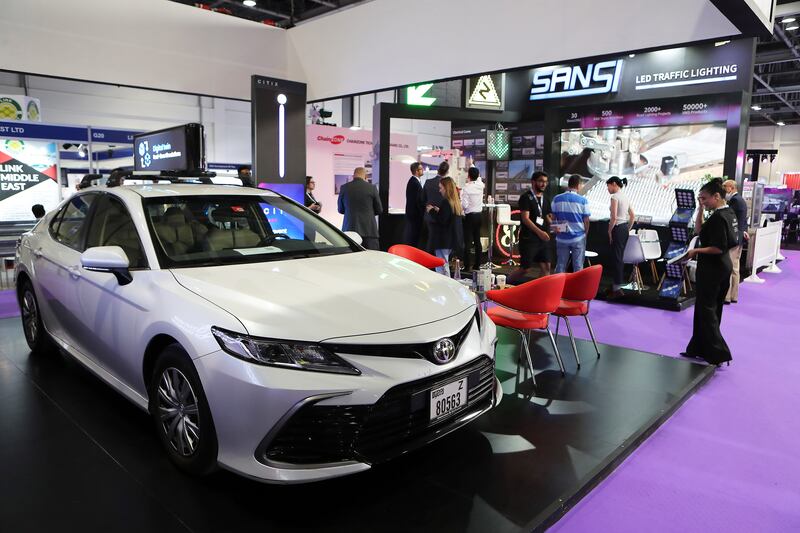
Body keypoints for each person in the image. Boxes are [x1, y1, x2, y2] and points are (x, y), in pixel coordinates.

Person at [683, 178, 738, 366]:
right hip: (721, 267)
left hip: (713, 269)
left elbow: (718, 247)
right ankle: (698, 348)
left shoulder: (719, 217)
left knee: (707, 311)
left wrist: (695, 251)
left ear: (717, 196)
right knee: (708, 309)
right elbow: (699, 231)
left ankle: (719, 353)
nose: (703, 202)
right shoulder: (727, 213)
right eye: (701, 199)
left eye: (705, 199)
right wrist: (699, 209)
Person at [551, 174, 591, 273]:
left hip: (561, 237)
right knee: (578, 266)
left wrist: (557, 231)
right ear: (578, 185)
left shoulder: (557, 198)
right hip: (578, 237)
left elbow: (553, 217)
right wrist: (585, 234)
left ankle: (558, 287)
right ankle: (576, 288)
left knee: (560, 265)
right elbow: (586, 220)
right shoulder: (583, 200)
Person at [516, 171, 553, 278]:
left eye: (545, 182)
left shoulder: (545, 199)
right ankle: (503, 286)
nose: (543, 184)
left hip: (542, 239)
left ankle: (541, 293)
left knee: (546, 267)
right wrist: (540, 232)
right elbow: (525, 219)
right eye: (541, 181)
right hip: (529, 238)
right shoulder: (526, 197)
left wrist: (557, 227)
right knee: (525, 269)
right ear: (533, 182)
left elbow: (546, 217)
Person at [337, 166, 383, 250]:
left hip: (349, 229)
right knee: (372, 258)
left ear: (353, 175)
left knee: (351, 258)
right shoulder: (372, 188)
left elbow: (340, 209)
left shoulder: (344, 187)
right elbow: (379, 209)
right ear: (365, 176)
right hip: (369, 230)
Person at [425, 177, 463, 276]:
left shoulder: (446, 202)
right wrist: (439, 211)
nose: (439, 190)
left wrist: (432, 211)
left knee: (442, 265)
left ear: (446, 188)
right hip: (450, 239)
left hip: (443, 240)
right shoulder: (455, 203)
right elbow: (448, 217)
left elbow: (442, 220)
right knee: (444, 263)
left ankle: (445, 286)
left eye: (441, 188)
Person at [606, 176, 634, 298]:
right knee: (619, 257)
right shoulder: (625, 197)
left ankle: (617, 288)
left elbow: (614, 217)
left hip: (617, 228)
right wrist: (627, 229)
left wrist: (609, 231)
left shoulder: (615, 197)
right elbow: (633, 216)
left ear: (613, 184)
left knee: (617, 258)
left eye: (608, 186)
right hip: (623, 229)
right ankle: (615, 286)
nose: (607, 189)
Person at [723, 179, 748, 304]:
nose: (723, 190)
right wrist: (744, 231)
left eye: (725, 187)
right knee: (735, 269)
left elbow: (729, 218)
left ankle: (726, 296)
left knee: (729, 268)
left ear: (731, 187)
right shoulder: (740, 200)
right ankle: (733, 296)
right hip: (739, 238)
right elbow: (743, 220)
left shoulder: (735, 200)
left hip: (733, 239)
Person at [461, 167, 485, 270]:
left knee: (467, 242)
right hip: (479, 216)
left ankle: (467, 266)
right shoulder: (481, 185)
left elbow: (465, 205)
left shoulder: (466, 188)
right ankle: (477, 265)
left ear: (468, 176)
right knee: (477, 241)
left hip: (470, 217)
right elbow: (478, 178)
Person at [422, 161, 449, 252]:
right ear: (447, 171)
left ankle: (430, 261)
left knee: (431, 239)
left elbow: (422, 199)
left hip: (429, 216)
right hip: (442, 216)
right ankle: (438, 262)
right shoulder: (448, 185)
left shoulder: (428, 182)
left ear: (438, 170)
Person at [404, 162, 425, 247]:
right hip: (415, 217)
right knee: (414, 239)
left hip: (413, 216)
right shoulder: (415, 183)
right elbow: (418, 201)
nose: (423, 170)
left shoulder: (413, 182)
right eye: (421, 169)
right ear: (416, 171)